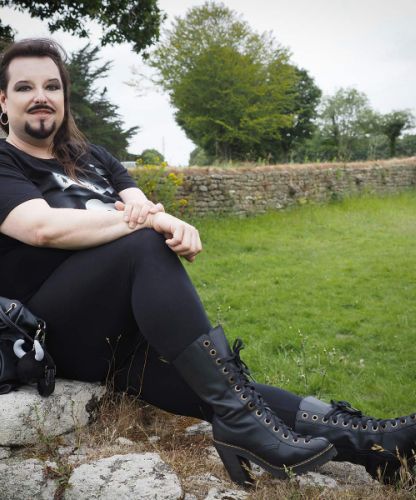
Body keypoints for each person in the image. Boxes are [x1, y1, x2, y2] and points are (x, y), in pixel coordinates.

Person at [0, 38, 414, 487]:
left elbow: (143, 208)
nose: (41, 96)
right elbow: (42, 228)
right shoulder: (5, 161)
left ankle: (375, 445)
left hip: (124, 337)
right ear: (3, 101)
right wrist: (150, 222)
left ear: (64, 97)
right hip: (53, 333)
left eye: (52, 86)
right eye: (24, 87)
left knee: (225, 390)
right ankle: (242, 425)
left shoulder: (95, 158)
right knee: (144, 245)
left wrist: (162, 221)